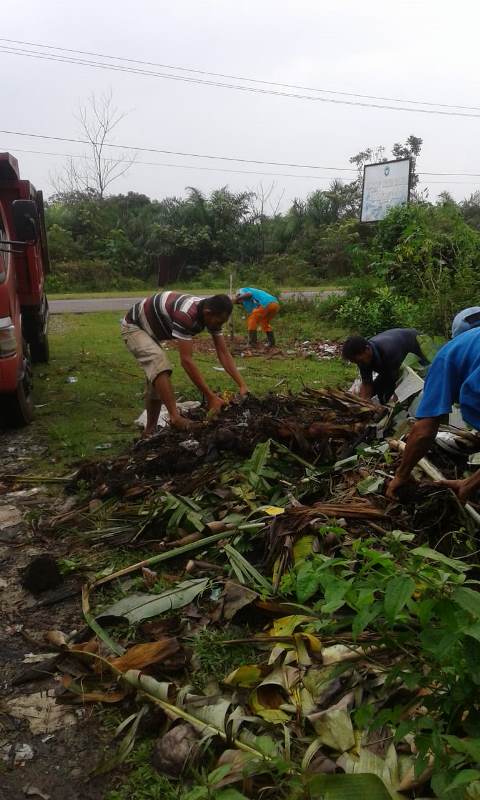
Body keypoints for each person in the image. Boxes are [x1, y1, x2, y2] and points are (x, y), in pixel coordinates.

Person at [121, 291, 248, 435]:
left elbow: (223, 352)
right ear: (207, 313)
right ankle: (175, 418)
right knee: (159, 363)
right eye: (218, 322)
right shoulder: (186, 315)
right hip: (134, 326)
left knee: (156, 380)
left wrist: (242, 385)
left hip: (151, 330)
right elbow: (186, 361)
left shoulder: (210, 311)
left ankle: (149, 431)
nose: (218, 325)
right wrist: (210, 396)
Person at [387, 327, 480, 502]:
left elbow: (424, 431)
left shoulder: (446, 356)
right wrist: (470, 483)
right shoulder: (472, 343)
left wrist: (401, 474)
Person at [342, 328, 426, 404]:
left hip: (418, 344)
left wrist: (389, 403)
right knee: (379, 389)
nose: (359, 364)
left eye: (359, 361)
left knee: (386, 393)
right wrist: (363, 402)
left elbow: (394, 381)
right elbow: (367, 382)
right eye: (356, 362)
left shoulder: (389, 351)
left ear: (367, 349)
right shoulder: (363, 359)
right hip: (395, 355)